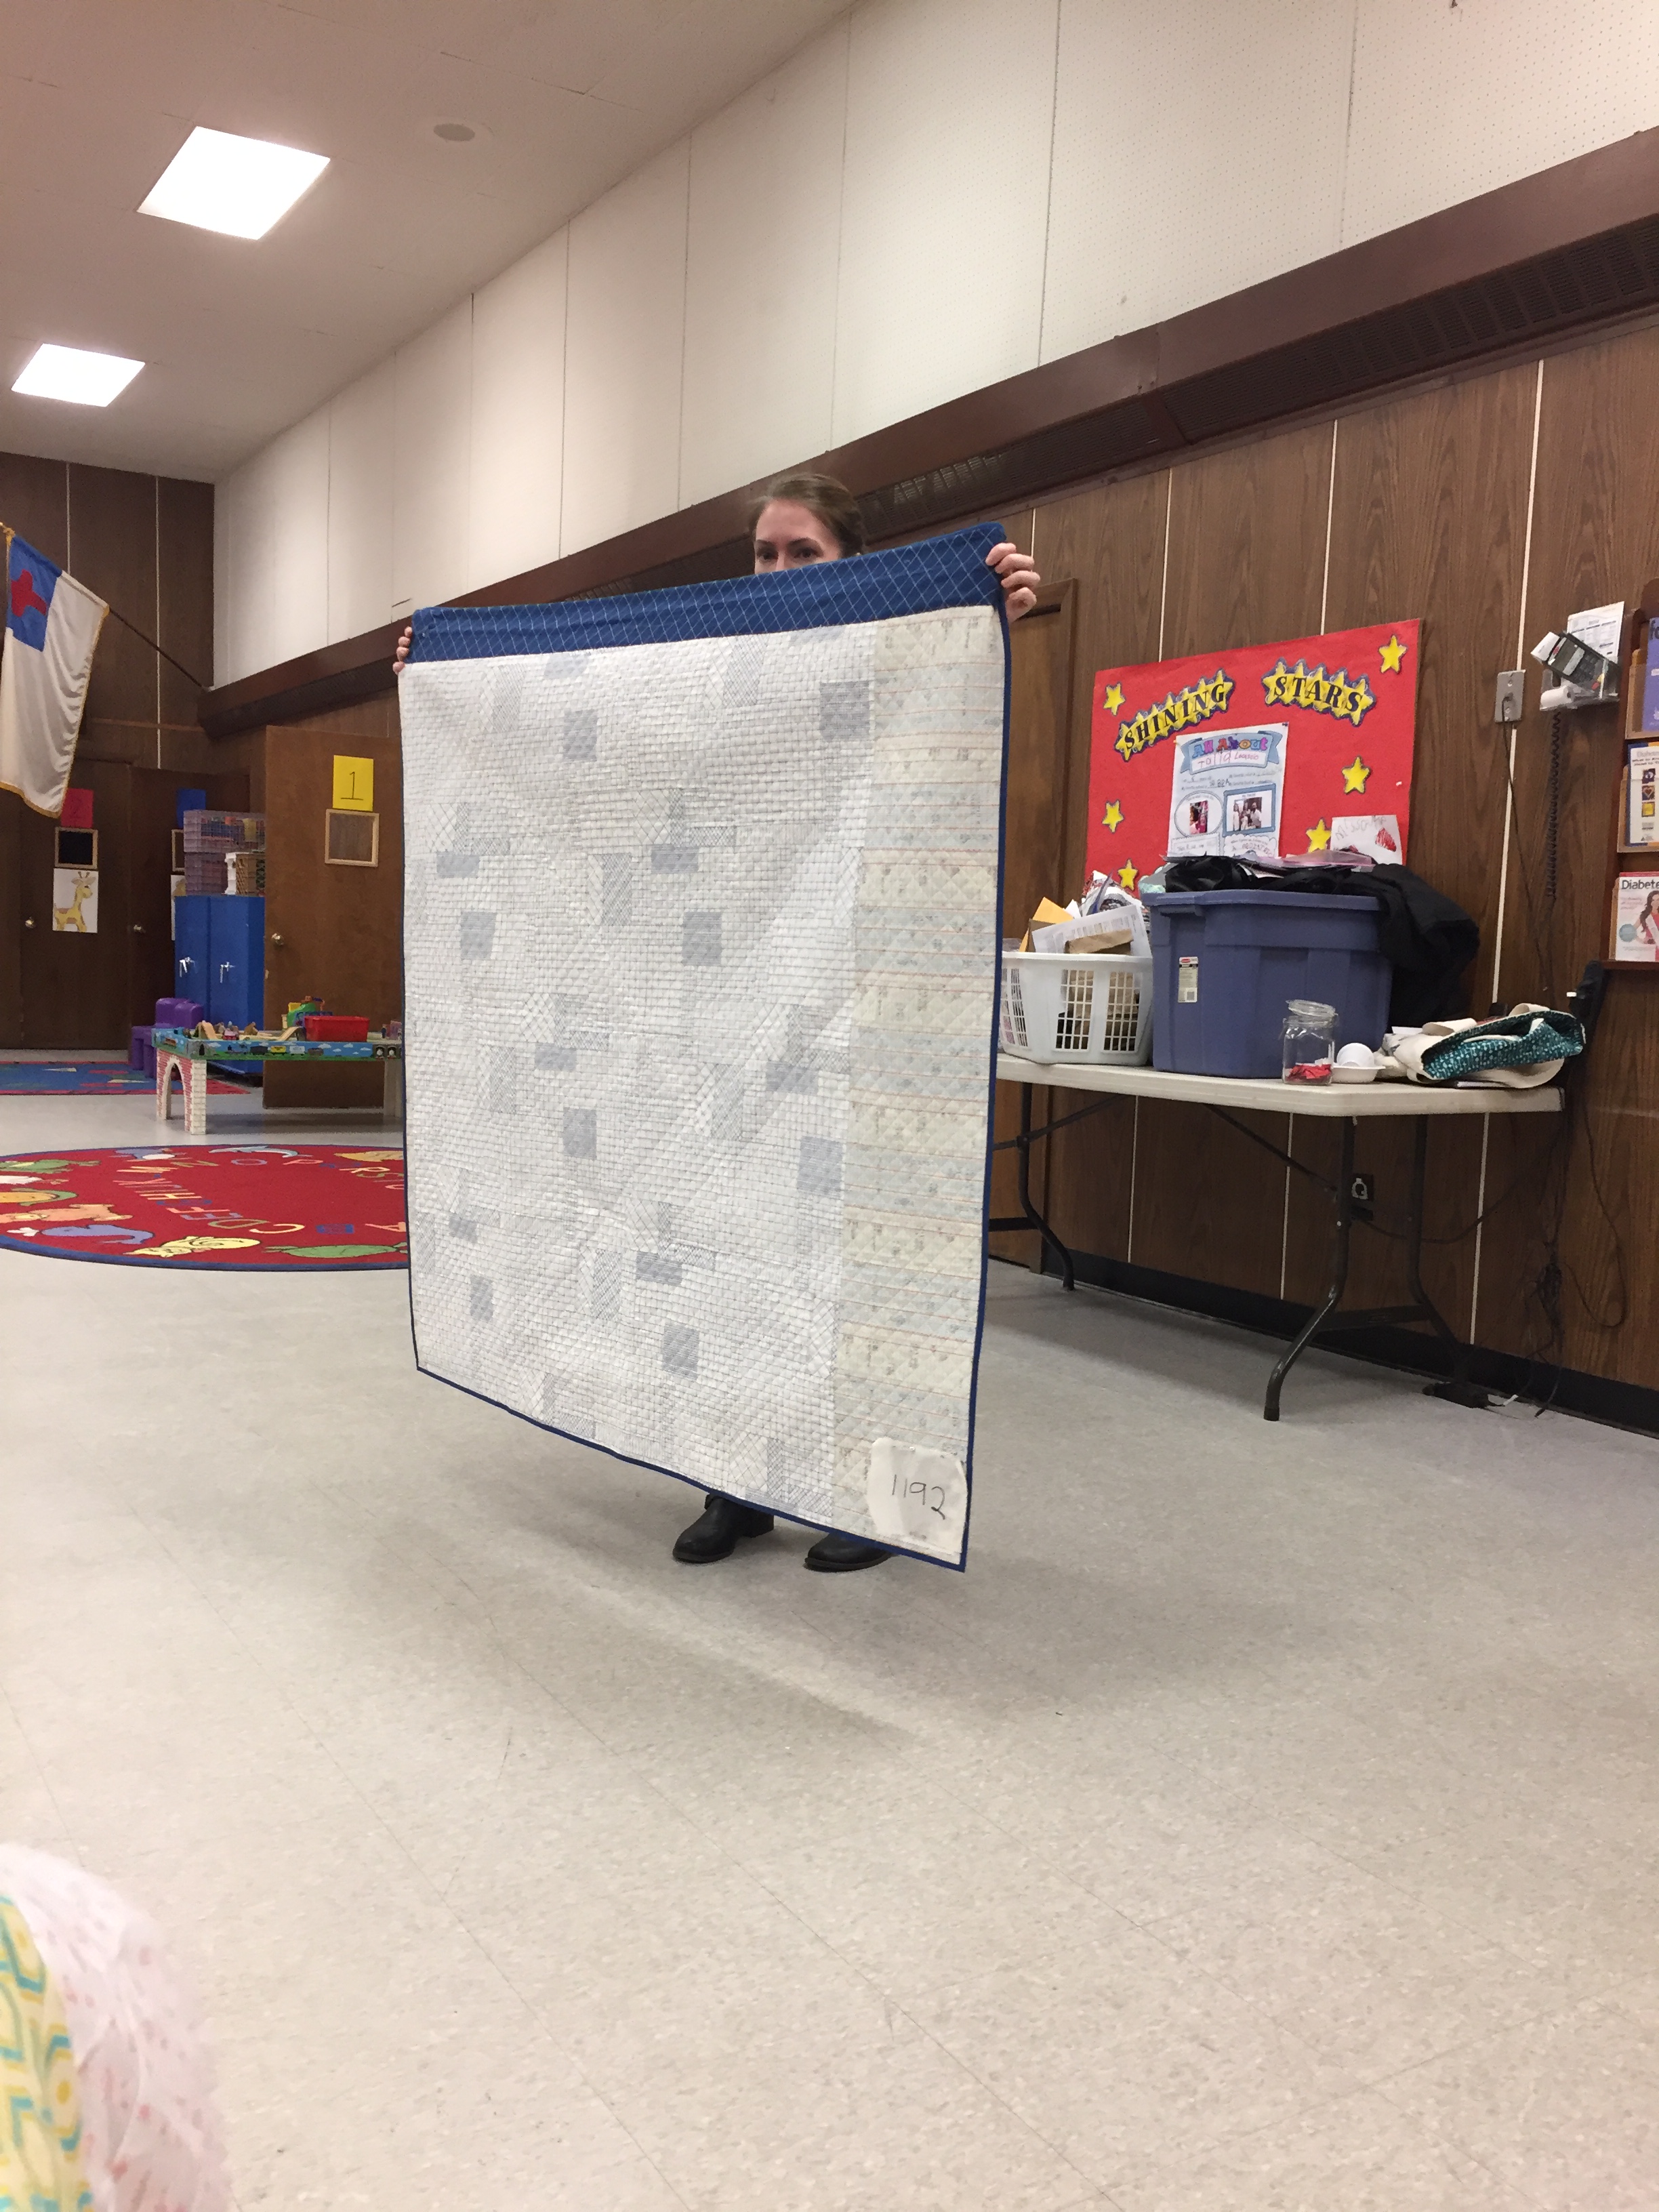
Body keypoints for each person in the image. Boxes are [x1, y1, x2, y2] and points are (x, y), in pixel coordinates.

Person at [395, 474, 1040, 1570]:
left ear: (854, 560)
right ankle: (734, 1483)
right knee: (721, 1248)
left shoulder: (890, 648)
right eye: (764, 554)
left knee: (857, 1265)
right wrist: (449, 676)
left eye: (803, 553)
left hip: (856, 1009)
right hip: (723, 1016)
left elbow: (947, 704)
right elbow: (605, 740)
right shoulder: (719, 670)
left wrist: (990, 608)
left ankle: (868, 1503)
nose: (777, 572)